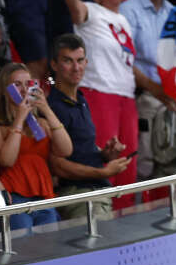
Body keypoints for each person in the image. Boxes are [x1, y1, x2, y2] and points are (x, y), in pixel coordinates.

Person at [58, 0, 141, 193]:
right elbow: (75, 9)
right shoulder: (91, 10)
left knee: (128, 164)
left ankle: (125, 219)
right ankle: (104, 219)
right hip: (99, 92)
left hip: (127, 96)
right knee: (105, 160)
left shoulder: (124, 20)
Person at [44, 33, 133, 220]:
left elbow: (79, 150)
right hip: (79, 196)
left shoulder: (81, 99)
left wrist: (104, 154)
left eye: (80, 60)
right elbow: (57, 165)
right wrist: (104, 171)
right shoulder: (52, 108)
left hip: (96, 193)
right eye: (68, 61)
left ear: (86, 62)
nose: (76, 67)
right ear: (54, 65)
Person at [0, 63, 70, 233]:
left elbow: (66, 150)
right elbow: (7, 160)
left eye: (28, 84)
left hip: (45, 197)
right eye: (17, 85)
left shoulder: (42, 124)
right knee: (24, 249)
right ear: (5, 90)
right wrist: (20, 119)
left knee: (49, 250)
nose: (25, 90)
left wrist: (46, 109)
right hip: (15, 197)